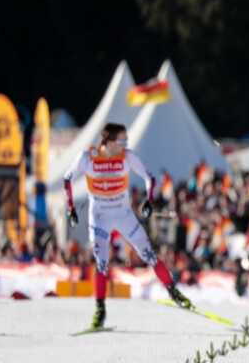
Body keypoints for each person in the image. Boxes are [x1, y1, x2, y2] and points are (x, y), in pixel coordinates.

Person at [63, 122, 191, 329]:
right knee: (102, 266)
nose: (126, 144)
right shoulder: (87, 158)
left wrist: (149, 202)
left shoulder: (128, 157)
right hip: (100, 218)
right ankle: (100, 311)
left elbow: (149, 177)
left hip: (124, 216)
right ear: (110, 142)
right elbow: (67, 178)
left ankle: (173, 292)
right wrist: (71, 209)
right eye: (123, 141)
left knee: (150, 256)